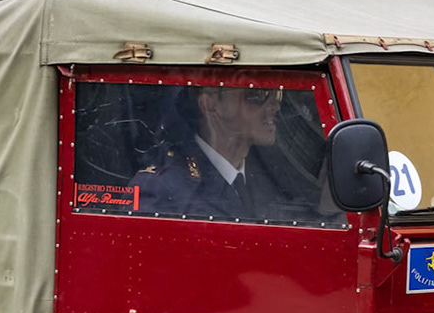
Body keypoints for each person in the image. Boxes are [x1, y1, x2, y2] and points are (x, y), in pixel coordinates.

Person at [134, 85, 313, 221]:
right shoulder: (163, 189)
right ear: (210, 105)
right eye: (257, 95)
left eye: (277, 96)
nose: (275, 107)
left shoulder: (268, 178)